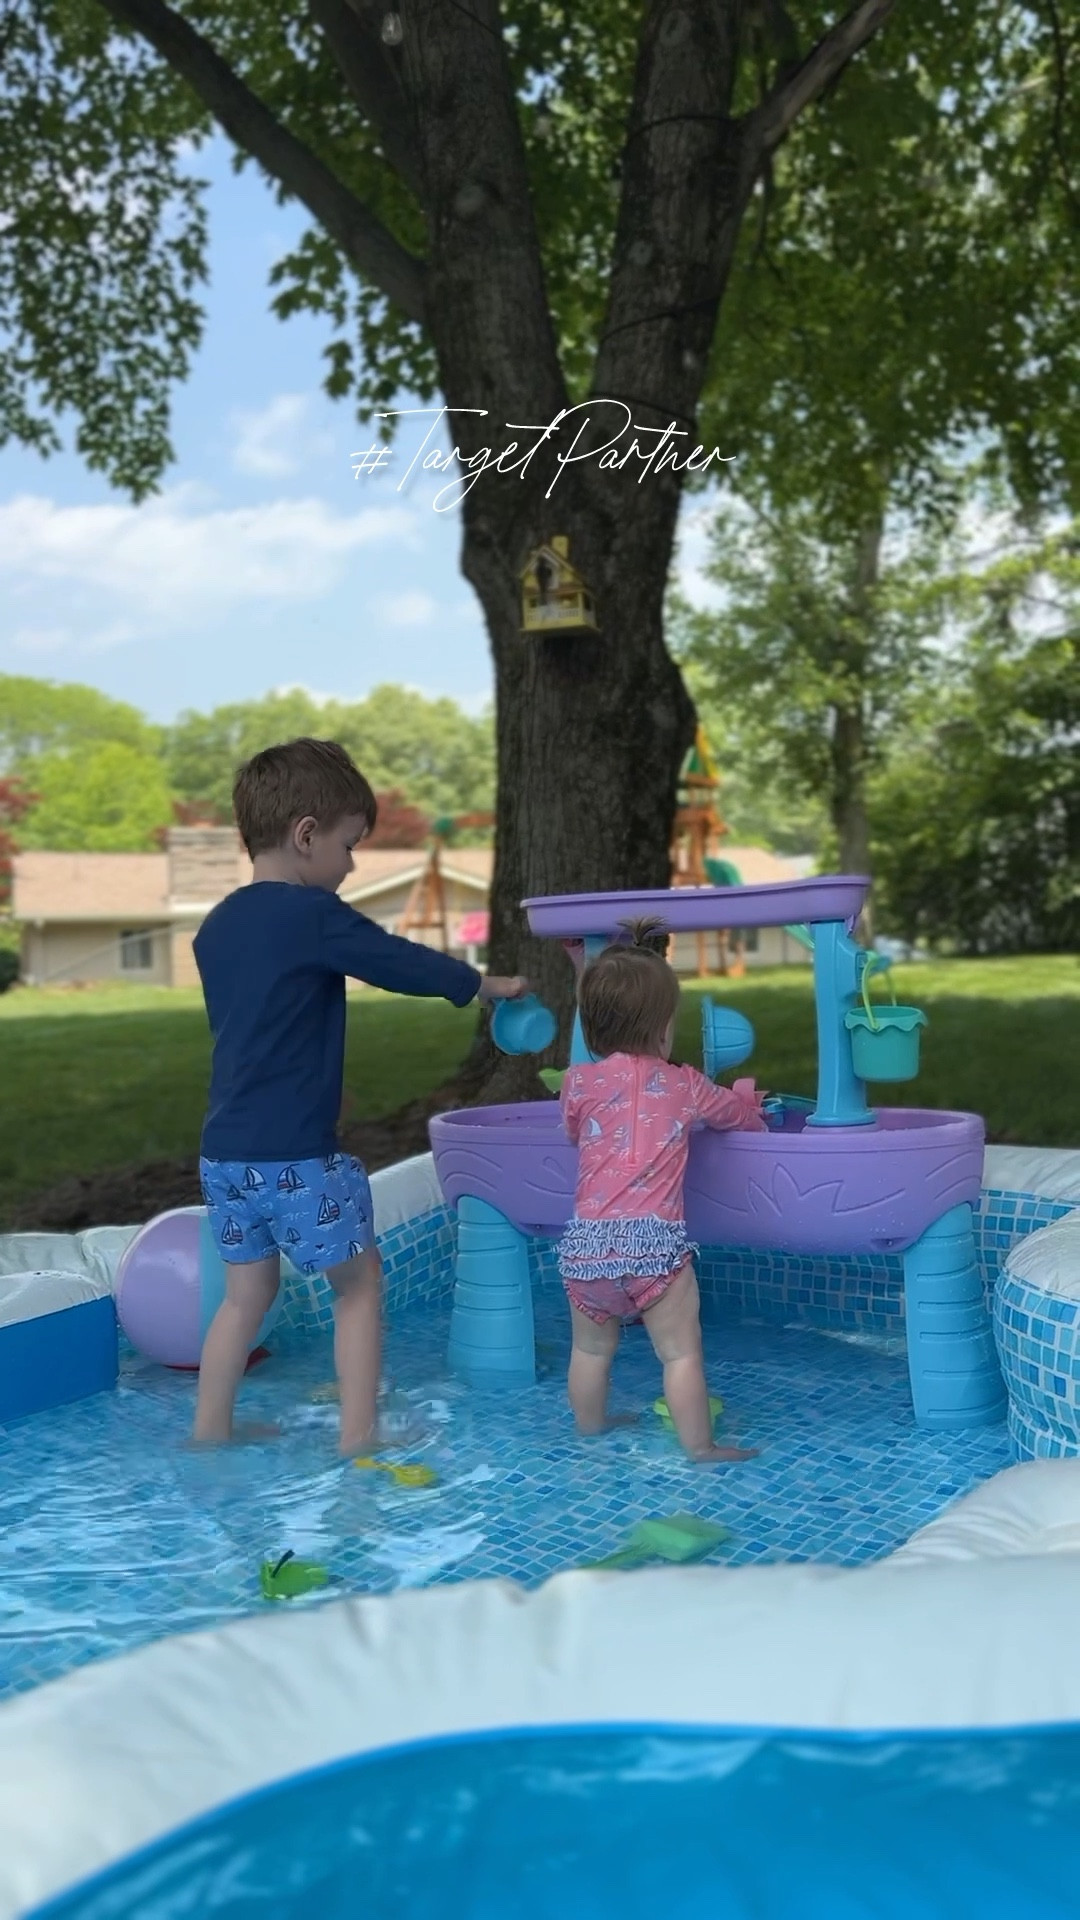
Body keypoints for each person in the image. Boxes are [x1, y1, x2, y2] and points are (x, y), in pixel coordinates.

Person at [191, 737, 526, 1453]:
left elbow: (263, 1025)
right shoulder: (310, 914)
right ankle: (359, 1439)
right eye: (348, 846)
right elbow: (392, 960)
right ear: (305, 834)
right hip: (296, 1159)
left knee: (244, 1299)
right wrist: (481, 986)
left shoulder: (217, 927)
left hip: (224, 1157)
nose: (349, 866)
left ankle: (209, 1433)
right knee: (361, 1285)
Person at [558, 919, 767, 1463]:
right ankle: (700, 1447)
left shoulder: (578, 1081)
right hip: (654, 1248)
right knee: (679, 1356)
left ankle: (590, 1428)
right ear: (663, 1028)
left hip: (586, 1249)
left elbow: (575, 1130)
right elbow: (737, 1119)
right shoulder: (685, 1083)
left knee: (588, 1348)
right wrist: (752, 1105)